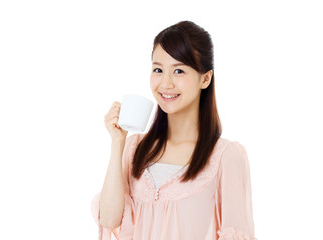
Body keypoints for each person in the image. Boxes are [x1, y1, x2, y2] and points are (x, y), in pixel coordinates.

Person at [91, 20, 256, 240]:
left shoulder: (226, 156)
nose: (165, 83)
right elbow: (110, 220)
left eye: (178, 71)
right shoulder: (135, 149)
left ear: (205, 78)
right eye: (158, 69)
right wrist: (117, 142)